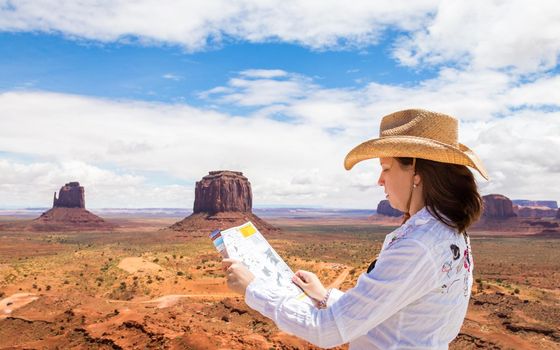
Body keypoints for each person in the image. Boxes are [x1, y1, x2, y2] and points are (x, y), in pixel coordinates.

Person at [222, 109, 489, 349]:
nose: (379, 180)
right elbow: (391, 314)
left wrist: (253, 288)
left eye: (386, 168)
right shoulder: (448, 231)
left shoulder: (418, 244)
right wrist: (325, 296)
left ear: (416, 173)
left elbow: (326, 330)